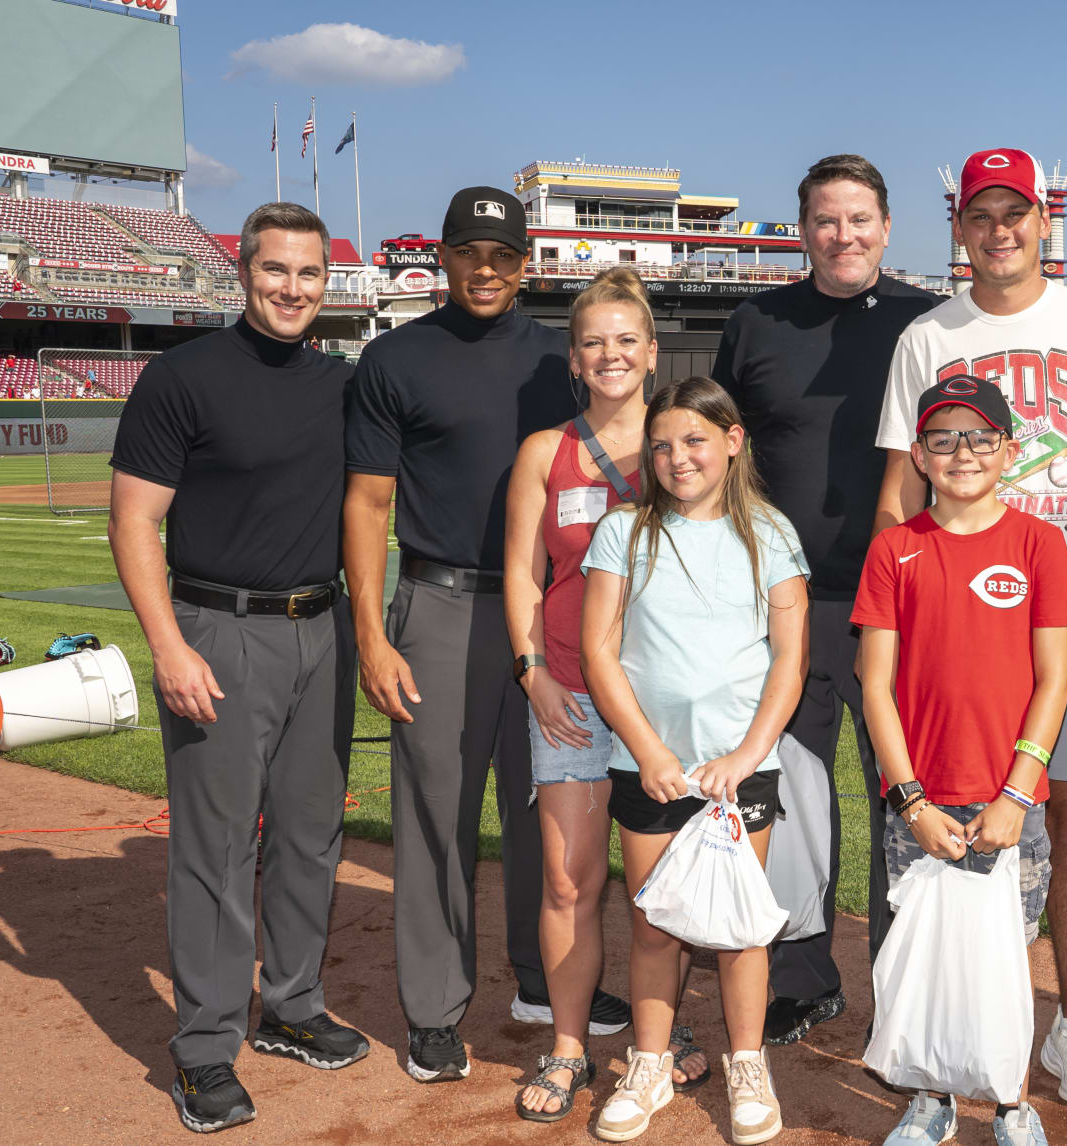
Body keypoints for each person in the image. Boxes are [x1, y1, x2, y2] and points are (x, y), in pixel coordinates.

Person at [874, 148, 1067, 1111]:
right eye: (981, 215)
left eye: (1016, 213)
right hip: (953, 624)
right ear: (959, 227)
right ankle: (936, 1049)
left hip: (1061, 619)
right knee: (941, 823)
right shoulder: (927, 337)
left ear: (1043, 222)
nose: (1000, 231)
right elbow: (899, 489)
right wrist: (891, 608)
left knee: (1063, 823)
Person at [106, 203, 365, 1134]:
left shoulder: (344, 384)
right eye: (275, 272)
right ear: (243, 275)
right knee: (216, 850)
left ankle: (291, 1007)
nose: (292, 289)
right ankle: (205, 1050)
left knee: (308, 835)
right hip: (217, 632)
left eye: (309, 274)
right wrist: (167, 645)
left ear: (327, 282)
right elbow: (134, 522)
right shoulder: (182, 377)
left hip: (321, 628)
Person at [344, 186, 589, 1083]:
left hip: (548, 610)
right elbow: (368, 504)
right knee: (437, 816)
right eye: (468, 253)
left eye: (503, 255)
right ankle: (436, 1010)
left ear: (526, 264)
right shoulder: (395, 359)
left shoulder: (560, 363)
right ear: (441, 259)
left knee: (548, 809)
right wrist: (373, 634)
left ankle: (542, 979)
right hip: (441, 604)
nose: (486, 270)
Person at [712, 154, 944, 1046]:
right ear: (802, 229)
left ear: (886, 228)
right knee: (787, 794)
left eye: (859, 220)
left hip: (900, 599)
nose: (842, 236)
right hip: (786, 603)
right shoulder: (755, 319)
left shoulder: (928, 322)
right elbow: (721, 449)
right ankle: (801, 979)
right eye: (824, 221)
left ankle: (904, 973)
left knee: (904, 791)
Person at [580, 377, 809, 1145]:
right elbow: (599, 650)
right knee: (655, 926)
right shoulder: (624, 531)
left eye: (696, 440)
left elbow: (788, 660)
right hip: (651, 766)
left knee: (740, 929)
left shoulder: (771, 533)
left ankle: (748, 1064)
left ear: (733, 441)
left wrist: (747, 755)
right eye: (664, 444)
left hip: (739, 771)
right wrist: (647, 751)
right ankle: (649, 1062)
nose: (680, 458)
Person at [503, 267, 706, 1121]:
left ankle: (662, 1037)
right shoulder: (545, 452)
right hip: (573, 696)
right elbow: (522, 569)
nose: (611, 354)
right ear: (574, 359)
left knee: (666, 888)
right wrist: (533, 672)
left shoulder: (689, 449)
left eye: (628, 339)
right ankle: (570, 1046)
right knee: (566, 879)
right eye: (594, 342)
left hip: (667, 702)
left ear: (653, 353)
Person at [857, 376, 1067, 1146]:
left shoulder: (1039, 543)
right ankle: (932, 1098)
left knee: (1003, 962)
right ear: (918, 454)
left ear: (1010, 452)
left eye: (981, 437)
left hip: (1010, 801)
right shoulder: (895, 549)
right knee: (930, 959)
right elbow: (874, 684)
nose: (962, 452)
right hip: (922, 801)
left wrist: (1016, 793)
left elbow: (1055, 680)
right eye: (942, 438)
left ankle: (1013, 1103)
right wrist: (910, 800)